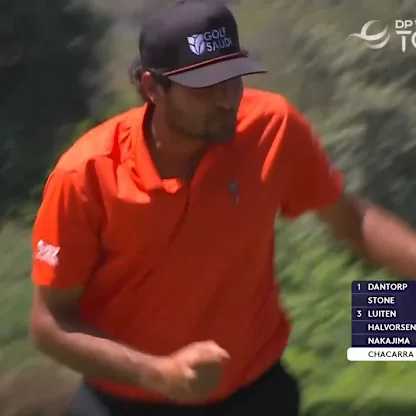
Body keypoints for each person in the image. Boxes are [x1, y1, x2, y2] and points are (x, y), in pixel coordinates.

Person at [29, 1, 416, 415]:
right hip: (124, 402)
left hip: (254, 394)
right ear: (152, 88)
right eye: (205, 87)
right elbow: (49, 323)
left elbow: (351, 220)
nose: (226, 99)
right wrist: (155, 373)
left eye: (233, 78)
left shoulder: (271, 128)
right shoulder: (85, 175)